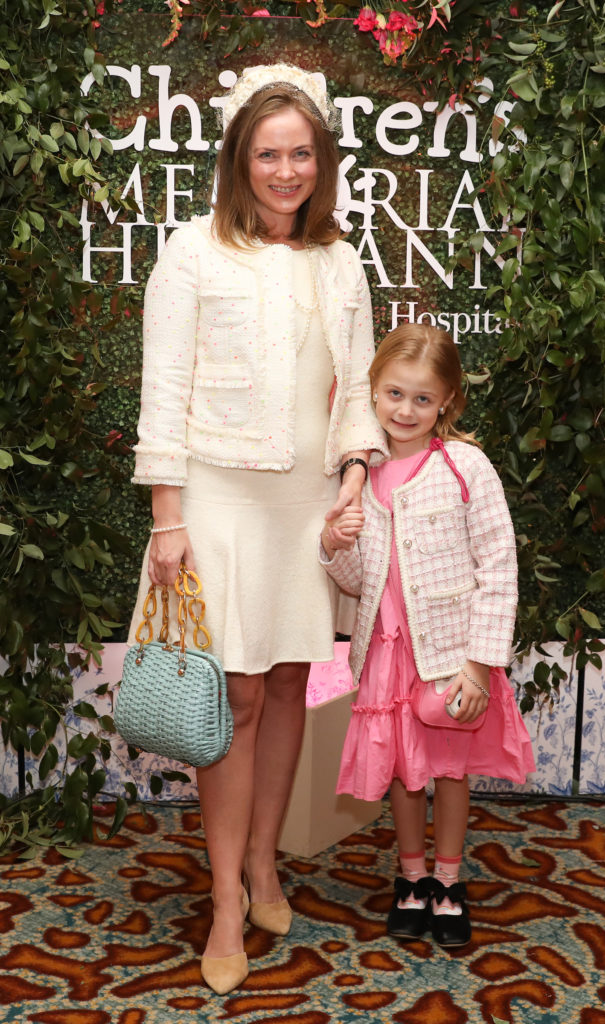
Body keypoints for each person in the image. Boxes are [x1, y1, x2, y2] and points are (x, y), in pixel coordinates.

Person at [127, 63, 388, 995]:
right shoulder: (190, 251)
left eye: (301, 155)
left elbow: (356, 390)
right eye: (269, 154)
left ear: (322, 164)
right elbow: (164, 389)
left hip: (304, 508)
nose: (286, 171)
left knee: (286, 685)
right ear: (241, 159)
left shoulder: (340, 260)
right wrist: (168, 518)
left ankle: (267, 863)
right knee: (232, 698)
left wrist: (354, 475)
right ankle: (226, 900)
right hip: (217, 500)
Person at [320, 323, 535, 949]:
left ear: (447, 402)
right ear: (372, 394)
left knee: (447, 770)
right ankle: (409, 878)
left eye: (422, 398)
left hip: (448, 655)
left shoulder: (466, 467)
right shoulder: (359, 478)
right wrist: (334, 545)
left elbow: (499, 565)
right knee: (402, 772)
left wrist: (479, 665)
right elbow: (360, 580)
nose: (405, 410)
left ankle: (448, 882)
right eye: (393, 394)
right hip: (386, 655)